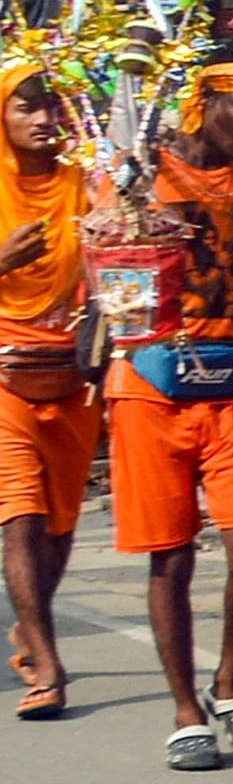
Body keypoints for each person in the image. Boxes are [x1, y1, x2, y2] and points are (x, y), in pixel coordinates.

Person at [111, 61, 233, 770]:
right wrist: (127, 206)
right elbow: (111, 259)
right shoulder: (147, 167)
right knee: (171, 554)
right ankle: (185, 708)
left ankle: (229, 680)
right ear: (202, 103)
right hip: (152, 384)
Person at [0, 61, 97, 724]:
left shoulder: (84, 184)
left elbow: (114, 265)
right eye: (24, 107)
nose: (40, 119)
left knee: (60, 525)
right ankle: (48, 662)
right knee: (21, 517)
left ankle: (30, 630)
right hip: (3, 374)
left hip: (71, 374)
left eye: (50, 106)